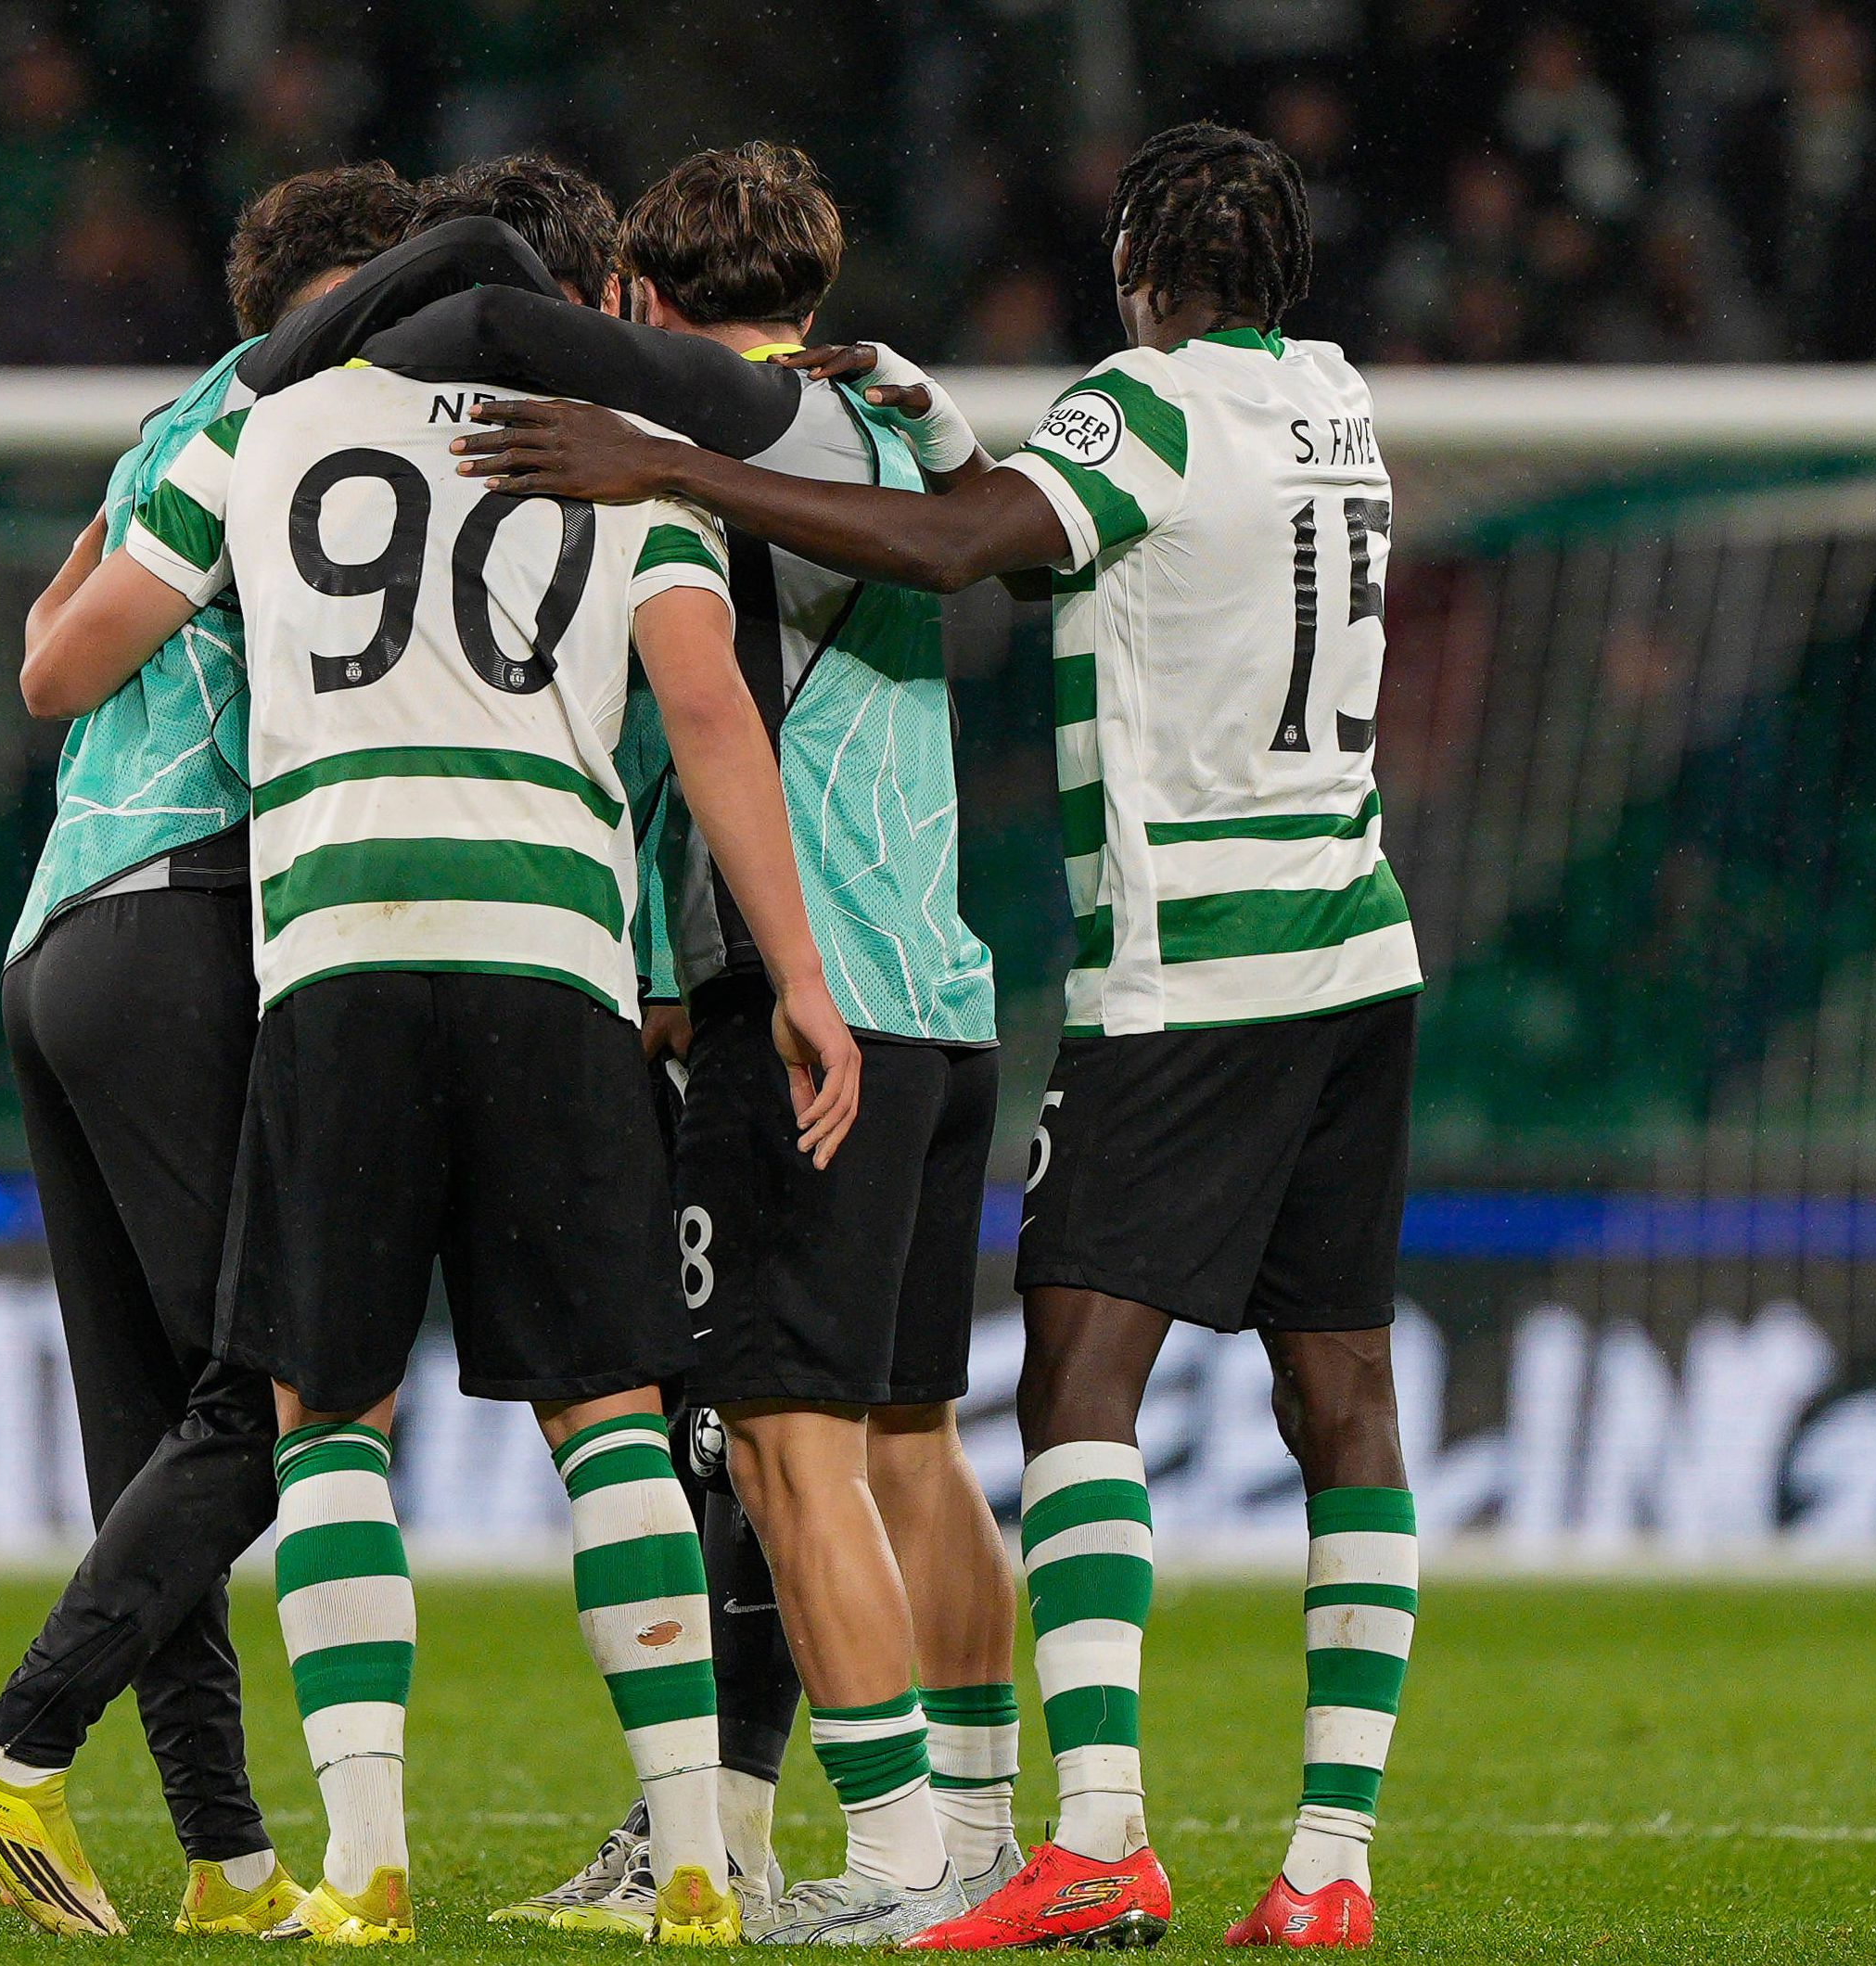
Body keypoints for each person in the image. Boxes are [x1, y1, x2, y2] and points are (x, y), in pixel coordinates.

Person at [455, 122, 1425, 1952]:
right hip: (1286, 951)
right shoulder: (1329, 400)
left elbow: (964, 550)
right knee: (1251, 1407)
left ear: (1140, 264)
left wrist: (656, 455)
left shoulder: (1111, 410)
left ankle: (971, 1842)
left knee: (883, 1424)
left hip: (1050, 971)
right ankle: (1296, 1857)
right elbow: (981, 504)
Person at [10, 151, 862, 1948]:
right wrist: (794, 971)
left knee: (332, 1415)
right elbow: (705, 710)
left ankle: (366, 1862)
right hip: (550, 947)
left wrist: (112, 527)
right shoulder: (615, 451)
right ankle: (703, 1852)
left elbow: (70, 664)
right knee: (610, 1413)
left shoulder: (271, 431)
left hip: (340, 950)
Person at [263, 142, 1023, 1945]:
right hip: (946, 984)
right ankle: (981, 1830)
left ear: (643, 305)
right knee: (909, 1441)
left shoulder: (722, 420)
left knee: (775, 1443)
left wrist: (296, 360)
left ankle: (906, 1852)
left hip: (812, 992)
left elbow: (480, 325)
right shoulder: (898, 410)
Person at [0, 161, 417, 1943]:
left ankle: (229, 1861)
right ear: (338, 294)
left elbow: (46, 664)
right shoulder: (301, 417)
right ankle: (17, 1738)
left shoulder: (172, 426)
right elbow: (75, 669)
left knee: (156, 1434)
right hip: (189, 916)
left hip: (60, 935)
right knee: (292, 1388)